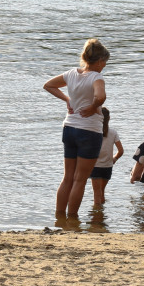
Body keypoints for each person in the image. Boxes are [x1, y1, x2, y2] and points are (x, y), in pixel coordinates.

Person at [43, 38, 110, 219]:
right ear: (97, 61)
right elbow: (101, 96)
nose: (104, 66)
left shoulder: (71, 74)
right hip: (89, 131)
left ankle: (59, 218)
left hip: (69, 128)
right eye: (104, 62)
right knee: (80, 180)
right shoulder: (97, 77)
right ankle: (72, 219)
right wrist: (92, 107)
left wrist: (68, 100)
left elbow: (48, 85)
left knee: (67, 178)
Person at [90, 108, 124, 206]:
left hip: (95, 166)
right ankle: (102, 215)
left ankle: (97, 217)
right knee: (102, 192)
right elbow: (121, 151)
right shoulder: (113, 133)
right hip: (108, 167)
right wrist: (114, 159)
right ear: (109, 118)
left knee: (97, 195)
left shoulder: (93, 132)